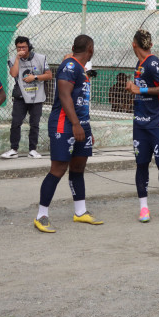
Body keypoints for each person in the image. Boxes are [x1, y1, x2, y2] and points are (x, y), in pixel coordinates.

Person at [34, 35, 102, 233]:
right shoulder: (69, 66)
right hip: (65, 125)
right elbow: (64, 96)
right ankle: (41, 215)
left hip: (81, 125)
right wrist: (75, 124)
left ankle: (80, 212)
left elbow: (80, 101)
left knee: (78, 167)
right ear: (90, 48)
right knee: (58, 168)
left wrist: (85, 128)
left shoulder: (81, 69)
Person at [125, 30, 159, 223]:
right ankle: (144, 208)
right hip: (140, 124)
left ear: (134, 44)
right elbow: (142, 88)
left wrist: (140, 89)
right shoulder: (139, 64)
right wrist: (135, 89)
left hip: (158, 123)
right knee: (141, 164)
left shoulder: (153, 62)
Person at [3, 36, 51, 159]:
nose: (21, 49)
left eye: (24, 47)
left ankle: (32, 150)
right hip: (20, 96)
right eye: (19, 47)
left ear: (29, 46)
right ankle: (14, 149)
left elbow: (49, 75)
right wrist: (18, 58)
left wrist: (34, 78)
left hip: (37, 95)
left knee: (34, 123)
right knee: (16, 123)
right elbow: (13, 74)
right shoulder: (13, 59)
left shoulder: (40, 58)